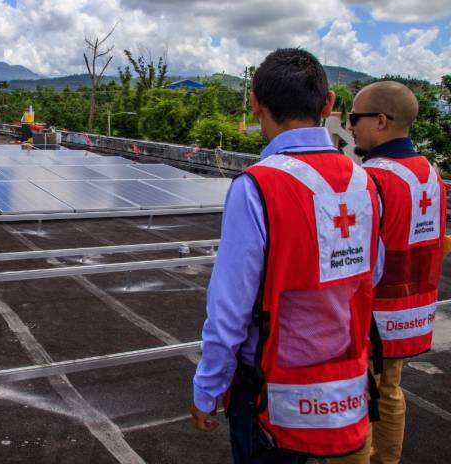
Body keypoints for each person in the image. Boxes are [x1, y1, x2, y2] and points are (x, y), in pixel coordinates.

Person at [190, 48, 384, 463]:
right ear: (329, 104)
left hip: (270, 388)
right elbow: (374, 271)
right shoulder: (364, 182)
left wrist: (207, 389)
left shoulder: (257, 185)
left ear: (256, 104)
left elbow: (229, 310)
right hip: (343, 381)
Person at [330, 81, 448, 464]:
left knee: (353, 401)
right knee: (390, 390)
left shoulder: (371, 179)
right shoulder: (431, 173)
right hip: (414, 309)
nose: (349, 127)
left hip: (374, 315)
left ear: (380, 121)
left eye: (353, 119)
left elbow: (355, 254)